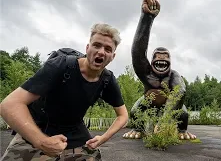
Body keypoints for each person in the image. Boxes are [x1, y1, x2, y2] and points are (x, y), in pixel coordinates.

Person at [0, 23, 129, 160]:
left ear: (112, 56)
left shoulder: (107, 80)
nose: (101, 52)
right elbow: (9, 105)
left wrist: (103, 138)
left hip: (74, 132)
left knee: (93, 156)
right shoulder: (60, 66)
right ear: (87, 48)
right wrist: (41, 142)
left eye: (108, 49)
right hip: (38, 128)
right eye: (96, 45)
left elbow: (123, 116)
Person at [122, 0, 196, 140]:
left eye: (165, 57)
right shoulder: (147, 73)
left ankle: (182, 130)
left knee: (182, 112)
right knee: (136, 108)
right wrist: (147, 18)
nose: (161, 58)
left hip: (169, 108)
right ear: (152, 60)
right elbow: (138, 52)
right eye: (157, 56)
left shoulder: (174, 76)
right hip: (148, 103)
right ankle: (138, 128)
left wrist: (164, 120)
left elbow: (180, 91)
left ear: (170, 61)